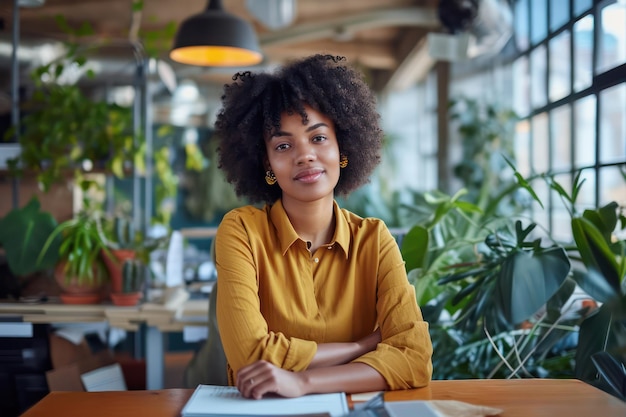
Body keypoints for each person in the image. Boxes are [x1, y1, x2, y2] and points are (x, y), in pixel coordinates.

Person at [213, 54, 433, 400]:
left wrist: (302, 382)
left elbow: (414, 359)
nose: (305, 156)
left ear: (342, 148)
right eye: (283, 146)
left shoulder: (374, 240)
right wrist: (359, 347)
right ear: (267, 163)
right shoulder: (241, 231)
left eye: (318, 138)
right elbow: (251, 359)